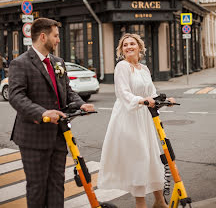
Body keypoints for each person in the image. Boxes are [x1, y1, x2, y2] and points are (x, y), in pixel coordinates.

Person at [9, 18, 94, 208]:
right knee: (38, 188)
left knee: (57, 185)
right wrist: (42, 113)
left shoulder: (58, 62)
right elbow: (16, 97)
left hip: (59, 135)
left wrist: (80, 104)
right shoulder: (20, 63)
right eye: (55, 36)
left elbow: (67, 90)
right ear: (42, 36)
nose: (58, 40)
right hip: (33, 137)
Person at [98, 33, 175, 208]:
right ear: (122, 50)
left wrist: (164, 100)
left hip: (145, 117)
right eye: (125, 45)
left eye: (132, 43)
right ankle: (141, 204)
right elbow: (123, 93)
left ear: (139, 47)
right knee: (139, 159)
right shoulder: (122, 67)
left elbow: (152, 92)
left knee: (153, 157)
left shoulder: (144, 68)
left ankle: (159, 201)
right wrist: (140, 100)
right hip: (128, 117)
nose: (129, 47)